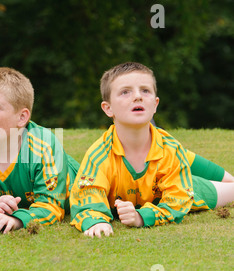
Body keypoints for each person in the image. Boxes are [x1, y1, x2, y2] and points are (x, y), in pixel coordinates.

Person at [70, 62, 234, 238]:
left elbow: (176, 203)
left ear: (155, 104)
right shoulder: (99, 154)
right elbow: (87, 194)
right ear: (108, 108)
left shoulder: (171, 149)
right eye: (125, 92)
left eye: (145, 90)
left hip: (185, 186)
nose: (138, 96)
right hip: (167, 162)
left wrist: (141, 217)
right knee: (176, 154)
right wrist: (96, 220)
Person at [0, 67, 79, 234]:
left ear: (22, 117)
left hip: (81, 186)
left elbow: (51, 207)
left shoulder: (44, 145)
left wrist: (15, 219)